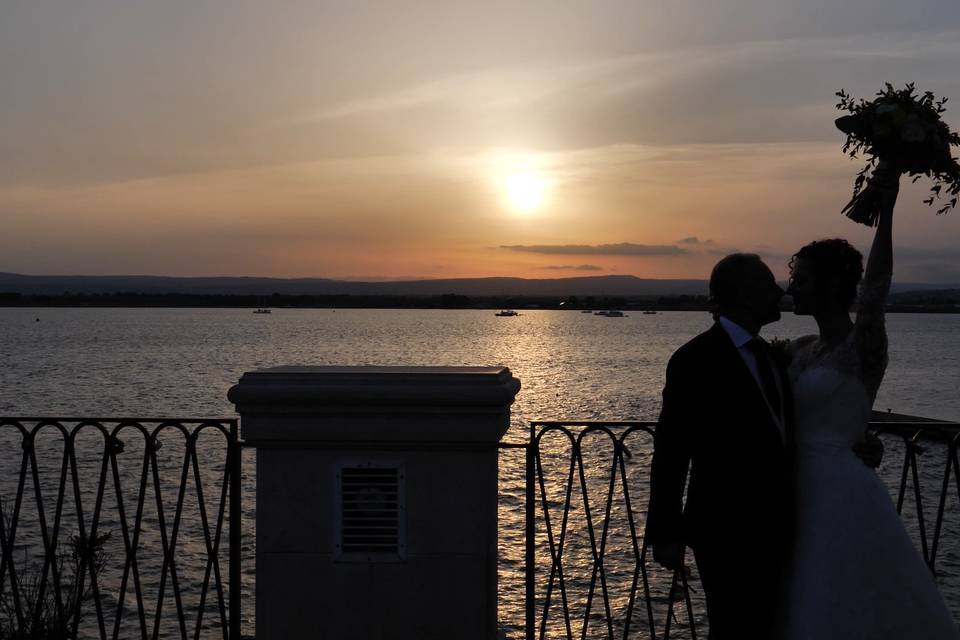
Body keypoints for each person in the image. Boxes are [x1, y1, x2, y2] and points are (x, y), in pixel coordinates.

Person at [777, 168, 958, 638]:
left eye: (801, 279)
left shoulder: (863, 348)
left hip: (839, 491)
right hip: (788, 491)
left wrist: (888, 209)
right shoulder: (797, 349)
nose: (791, 288)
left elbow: (877, 285)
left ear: (832, 287)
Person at [646, 252, 793, 640]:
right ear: (745, 294)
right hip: (726, 529)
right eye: (768, 284)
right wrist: (665, 532)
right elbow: (672, 450)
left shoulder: (772, 358)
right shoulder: (695, 359)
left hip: (780, 526)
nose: (779, 292)